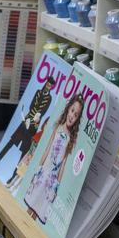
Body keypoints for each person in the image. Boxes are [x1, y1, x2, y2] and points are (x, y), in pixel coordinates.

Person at [23, 94, 84, 223]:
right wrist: (39, 168)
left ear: (77, 119)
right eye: (72, 111)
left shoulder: (70, 139)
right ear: (68, 109)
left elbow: (63, 164)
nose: (72, 116)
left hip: (52, 180)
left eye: (76, 115)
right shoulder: (58, 128)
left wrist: (57, 186)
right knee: (31, 203)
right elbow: (48, 149)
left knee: (38, 208)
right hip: (43, 172)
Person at [0, 75, 55, 186]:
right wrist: (29, 118)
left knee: (24, 152)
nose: (48, 86)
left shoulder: (49, 98)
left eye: (50, 85)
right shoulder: (38, 92)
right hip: (27, 119)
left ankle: (12, 177)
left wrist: (37, 116)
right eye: (47, 84)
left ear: (51, 87)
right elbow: (31, 105)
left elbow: (43, 111)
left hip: (34, 125)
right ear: (45, 83)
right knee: (11, 142)